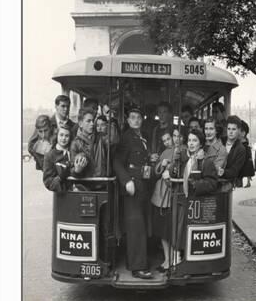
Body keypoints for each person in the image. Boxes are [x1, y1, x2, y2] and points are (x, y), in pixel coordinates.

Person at [113, 106, 153, 280]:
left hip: (143, 186)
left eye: (139, 117)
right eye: (133, 117)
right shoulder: (126, 138)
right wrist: (126, 181)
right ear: (128, 121)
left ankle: (139, 262)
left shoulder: (141, 136)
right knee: (136, 227)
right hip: (132, 187)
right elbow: (117, 161)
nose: (136, 120)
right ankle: (138, 267)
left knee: (141, 225)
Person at [174, 129, 219, 261]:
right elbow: (175, 173)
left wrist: (196, 184)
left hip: (196, 203)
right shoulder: (183, 157)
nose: (191, 143)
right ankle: (177, 257)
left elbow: (212, 183)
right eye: (189, 140)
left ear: (200, 143)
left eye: (194, 140)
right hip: (183, 200)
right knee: (179, 230)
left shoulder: (206, 161)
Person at [151, 131, 177, 272]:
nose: (167, 142)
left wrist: (169, 167)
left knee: (169, 229)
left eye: (169, 139)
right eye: (164, 140)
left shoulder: (179, 150)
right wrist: (161, 163)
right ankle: (167, 259)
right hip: (162, 194)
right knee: (162, 229)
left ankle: (171, 259)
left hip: (170, 192)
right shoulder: (164, 152)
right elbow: (156, 171)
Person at [70, 108, 108, 178]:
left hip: (102, 183)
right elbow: (72, 170)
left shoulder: (101, 138)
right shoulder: (75, 144)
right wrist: (77, 170)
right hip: (84, 185)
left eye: (93, 121)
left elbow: (114, 140)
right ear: (81, 124)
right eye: (88, 121)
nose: (92, 124)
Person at [43, 126, 72, 192]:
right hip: (61, 195)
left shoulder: (72, 151)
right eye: (61, 135)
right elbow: (48, 182)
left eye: (67, 136)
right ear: (57, 136)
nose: (64, 138)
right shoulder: (50, 156)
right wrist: (60, 177)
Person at [218, 115, 246, 185]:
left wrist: (223, 172)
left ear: (239, 130)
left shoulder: (241, 149)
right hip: (211, 180)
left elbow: (235, 170)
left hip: (227, 184)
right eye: (229, 129)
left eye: (233, 129)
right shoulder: (220, 141)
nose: (230, 132)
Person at [237, 120, 255, 188]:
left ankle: (246, 182)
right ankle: (244, 182)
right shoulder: (243, 144)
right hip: (246, 162)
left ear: (243, 133)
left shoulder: (243, 145)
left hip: (246, 162)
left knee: (245, 172)